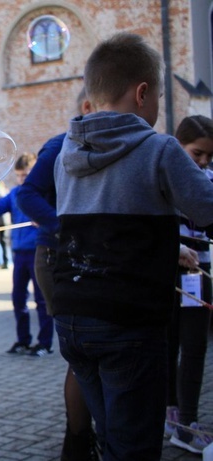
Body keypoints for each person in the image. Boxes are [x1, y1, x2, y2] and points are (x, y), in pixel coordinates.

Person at [52, 32, 213, 460]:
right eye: (158, 95)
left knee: (112, 439)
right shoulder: (159, 148)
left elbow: (105, 223)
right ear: (143, 93)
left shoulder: (65, 150)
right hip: (128, 320)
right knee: (136, 447)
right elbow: (207, 207)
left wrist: (168, 246)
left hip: (71, 318)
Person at [18, 88, 98, 460]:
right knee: (81, 356)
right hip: (56, 257)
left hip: (90, 260)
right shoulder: (59, 146)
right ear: (89, 108)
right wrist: (65, 227)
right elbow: (27, 195)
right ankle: (78, 443)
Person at [165, 114, 213, 454]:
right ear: (178, 145)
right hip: (167, 274)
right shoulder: (164, 176)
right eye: (197, 153)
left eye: (210, 156)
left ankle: (188, 421)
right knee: (167, 346)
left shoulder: (209, 180)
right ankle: (173, 417)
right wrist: (175, 246)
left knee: (195, 349)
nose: (203, 162)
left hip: (199, 276)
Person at [0, 153, 51, 356]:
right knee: (18, 298)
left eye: (25, 175)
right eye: (18, 176)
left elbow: (56, 216)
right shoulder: (16, 193)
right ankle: (23, 340)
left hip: (38, 251)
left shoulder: (43, 193)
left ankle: (45, 343)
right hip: (19, 252)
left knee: (42, 300)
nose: (21, 180)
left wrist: (44, 219)